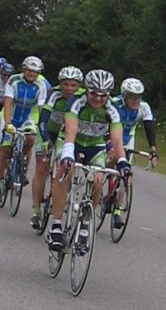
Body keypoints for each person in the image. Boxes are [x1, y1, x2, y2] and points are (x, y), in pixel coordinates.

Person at [47, 69, 129, 253]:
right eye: (93, 93)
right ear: (86, 90)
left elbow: (117, 140)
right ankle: (57, 226)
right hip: (71, 143)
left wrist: (123, 161)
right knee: (63, 173)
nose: (98, 99)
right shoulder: (76, 103)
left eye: (103, 95)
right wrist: (67, 154)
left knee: (98, 179)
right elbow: (70, 132)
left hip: (95, 147)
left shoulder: (112, 110)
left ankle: (84, 226)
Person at [31, 65, 84, 230]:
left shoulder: (83, 97)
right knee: (42, 168)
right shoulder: (54, 94)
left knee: (66, 165)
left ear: (79, 86)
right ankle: (37, 210)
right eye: (65, 84)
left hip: (67, 135)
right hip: (49, 132)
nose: (69, 88)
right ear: (60, 84)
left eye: (73, 85)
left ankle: (62, 192)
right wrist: (46, 140)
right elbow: (43, 120)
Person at [0, 56, 51, 202]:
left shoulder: (41, 85)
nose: (32, 74)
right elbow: (8, 102)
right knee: (4, 149)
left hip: (29, 117)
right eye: (29, 70)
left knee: (30, 138)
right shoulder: (14, 80)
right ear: (24, 70)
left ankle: (21, 164)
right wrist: (9, 124)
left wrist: (44, 127)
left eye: (35, 71)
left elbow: (42, 107)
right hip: (11, 115)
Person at [112, 78, 159, 168]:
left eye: (138, 96)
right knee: (108, 163)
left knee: (126, 168)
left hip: (128, 137)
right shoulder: (114, 104)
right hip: (111, 136)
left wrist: (153, 150)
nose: (136, 100)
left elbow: (149, 128)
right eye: (133, 97)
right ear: (124, 96)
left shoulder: (144, 107)